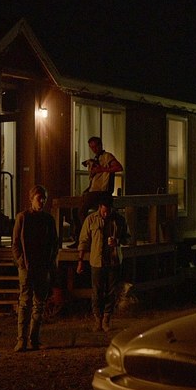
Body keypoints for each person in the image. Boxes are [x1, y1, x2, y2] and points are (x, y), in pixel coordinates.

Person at [11, 185, 58, 352]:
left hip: (42, 267)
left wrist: (50, 262)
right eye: (39, 198)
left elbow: (54, 243)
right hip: (27, 266)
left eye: (44, 198)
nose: (42, 201)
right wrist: (21, 262)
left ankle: (34, 339)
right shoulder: (23, 217)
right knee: (25, 302)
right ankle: (21, 340)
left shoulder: (48, 220)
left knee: (39, 304)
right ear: (31, 199)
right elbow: (15, 243)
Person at [76, 194, 129, 332]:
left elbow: (127, 238)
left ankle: (106, 318)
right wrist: (80, 261)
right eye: (104, 211)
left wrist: (117, 241)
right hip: (97, 261)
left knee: (112, 291)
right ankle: (97, 319)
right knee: (97, 291)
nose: (106, 214)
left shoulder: (119, 220)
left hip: (113, 260)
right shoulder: (91, 219)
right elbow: (83, 241)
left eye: (109, 211)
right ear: (100, 207)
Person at [69, 136, 123, 248]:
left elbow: (119, 167)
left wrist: (102, 169)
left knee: (81, 211)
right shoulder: (96, 159)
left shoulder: (107, 156)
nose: (94, 149)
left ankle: (88, 235)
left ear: (100, 145)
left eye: (95, 146)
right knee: (75, 210)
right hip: (93, 191)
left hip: (102, 192)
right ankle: (79, 237)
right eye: (91, 147)